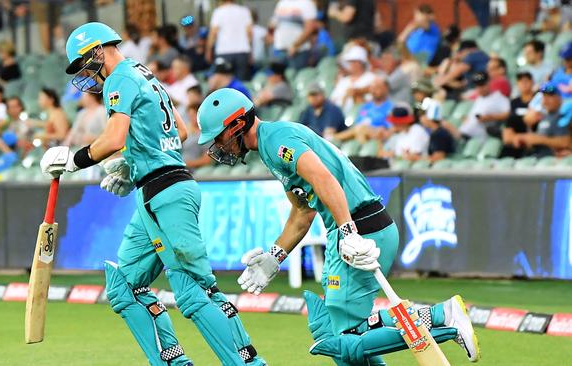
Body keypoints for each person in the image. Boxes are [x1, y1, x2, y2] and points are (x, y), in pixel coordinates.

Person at [196, 87, 480, 366]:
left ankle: (444, 317)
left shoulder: (277, 140)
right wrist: (274, 256)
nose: (217, 145)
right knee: (332, 329)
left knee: (345, 339)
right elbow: (302, 212)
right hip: (351, 228)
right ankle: (441, 316)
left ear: (237, 124)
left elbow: (324, 178)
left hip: (359, 228)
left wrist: (348, 231)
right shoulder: (271, 146)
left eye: (218, 136)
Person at [41, 22, 265, 366]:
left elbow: (114, 138)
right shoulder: (144, 75)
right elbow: (180, 128)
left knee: (195, 291)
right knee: (124, 287)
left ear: (100, 50)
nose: (86, 73)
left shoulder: (119, 78)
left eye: (86, 62)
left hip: (166, 193)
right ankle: (174, 362)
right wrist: (134, 164)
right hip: (157, 192)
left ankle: (248, 363)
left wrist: (74, 159)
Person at [514, 83, 572, 157]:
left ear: (559, 98)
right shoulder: (543, 117)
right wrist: (525, 140)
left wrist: (539, 139)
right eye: (544, 96)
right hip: (537, 156)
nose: (546, 99)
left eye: (550, 96)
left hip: (553, 160)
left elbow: (565, 142)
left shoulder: (564, 116)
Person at [334, 77, 394, 143]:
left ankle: (334, 138)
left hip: (376, 133)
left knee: (361, 128)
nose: (373, 91)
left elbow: (389, 128)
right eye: (372, 88)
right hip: (359, 131)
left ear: (385, 89)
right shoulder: (366, 106)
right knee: (360, 128)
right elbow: (359, 120)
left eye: (377, 88)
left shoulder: (390, 108)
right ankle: (334, 139)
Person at [206, 0, 253, 80]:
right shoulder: (244, 11)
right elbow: (249, 33)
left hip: (224, 51)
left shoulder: (218, 12)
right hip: (242, 51)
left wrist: (208, 50)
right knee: (241, 82)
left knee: (224, 82)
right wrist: (251, 52)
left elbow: (213, 33)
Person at [457, 71, 510, 139]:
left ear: (489, 82)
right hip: (464, 135)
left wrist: (490, 117)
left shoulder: (498, 97)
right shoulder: (479, 99)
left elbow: (509, 113)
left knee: (444, 124)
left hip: (478, 137)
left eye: (482, 85)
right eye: (477, 85)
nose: (480, 88)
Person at [270, 0, 318, 69]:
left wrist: (295, 45)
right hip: (280, 50)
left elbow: (310, 28)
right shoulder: (281, 3)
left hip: (299, 51)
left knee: (296, 77)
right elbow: (274, 23)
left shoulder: (307, 3)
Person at [501, 71, 536, 158]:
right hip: (515, 136)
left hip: (532, 131)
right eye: (521, 82)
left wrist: (542, 87)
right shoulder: (514, 102)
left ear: (532, 82)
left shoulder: (538, 97)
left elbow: (551, 88)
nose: (524, 84)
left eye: (526, 81)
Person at [330, 45, 375, 112]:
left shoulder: (371, 78)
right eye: (350, 62)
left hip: (362, 115)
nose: (350, 64)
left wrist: (356, 93)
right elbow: (332, 100)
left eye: (353, 61)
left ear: (360, 63)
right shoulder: (344, 81)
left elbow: (372, 102)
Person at [418, 98, 455, 162]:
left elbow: (438, 158)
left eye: (423, 114)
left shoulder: (439, 134)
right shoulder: (437, 132)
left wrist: (415, 158)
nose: (420, 118)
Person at [183, 102, 213, 170]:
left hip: (196, 169)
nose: (191, 118)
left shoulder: (206, 134)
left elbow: (207, 160)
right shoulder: (185, 130)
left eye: (193, 115)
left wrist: (187, 164)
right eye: (189, 116)